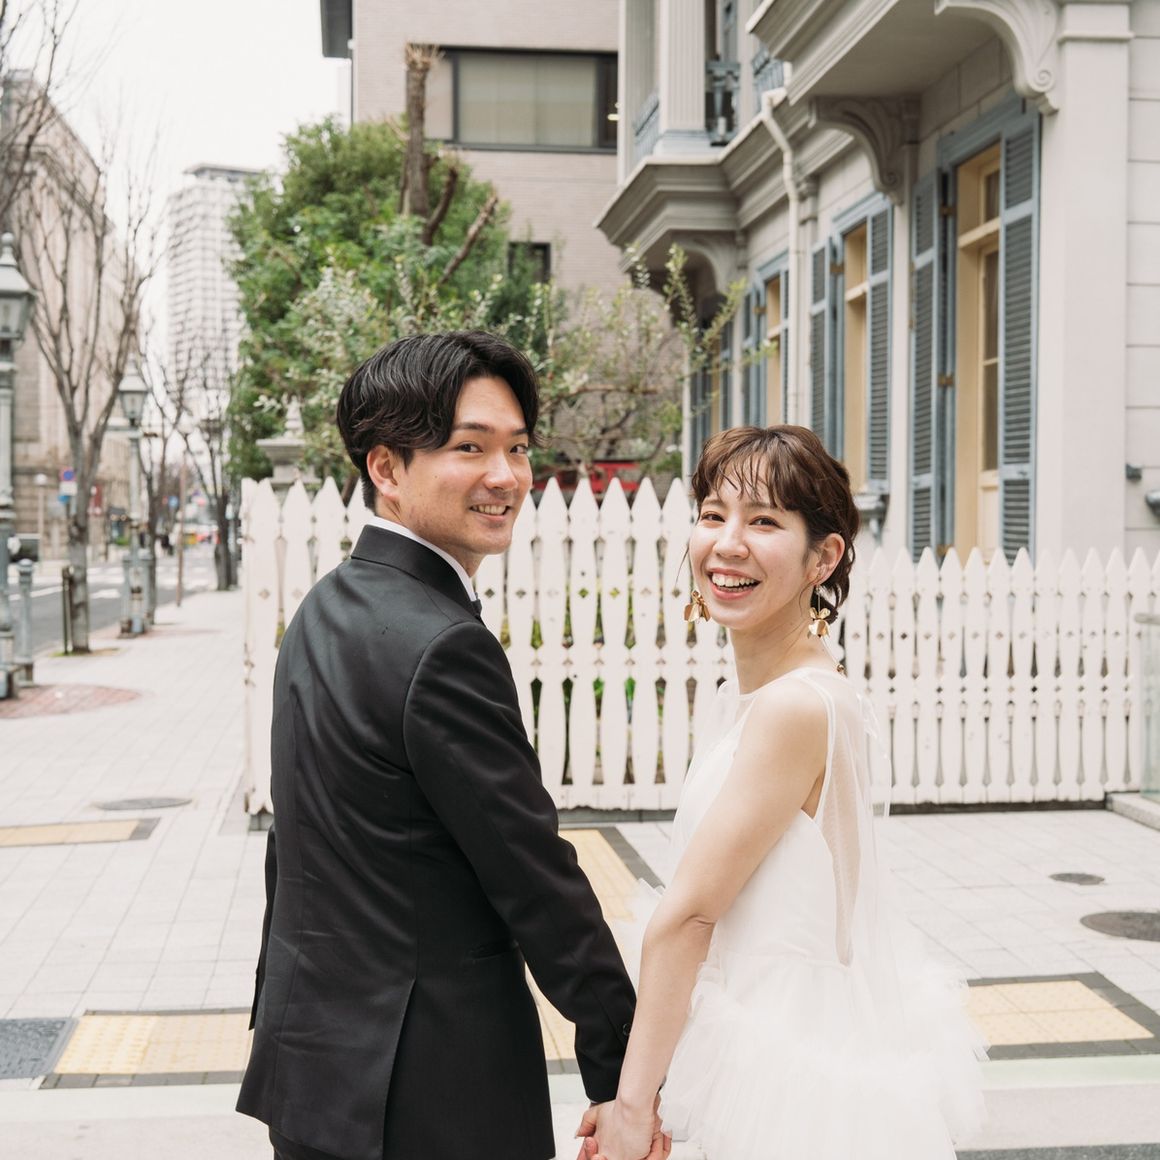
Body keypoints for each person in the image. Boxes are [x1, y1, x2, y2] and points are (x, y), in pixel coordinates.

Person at [237, 331, 666, 1160]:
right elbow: (533, 877)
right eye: (469, 447)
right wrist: (624, 1074)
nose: (506, 476)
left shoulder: (322, 607)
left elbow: (297, 844)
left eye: (518, 448)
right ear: (386, 468)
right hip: (428, 1090)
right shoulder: (443, 645)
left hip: (311, 1069)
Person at [580, 425, 985, 1160]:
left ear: (822, 558)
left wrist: (632, 1108)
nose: (727, 544)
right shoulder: (786, 692)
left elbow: (691, 914)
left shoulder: (793, 707)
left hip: (780, 1066)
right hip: (773, 1037)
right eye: (713, 515)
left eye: (764, 521)